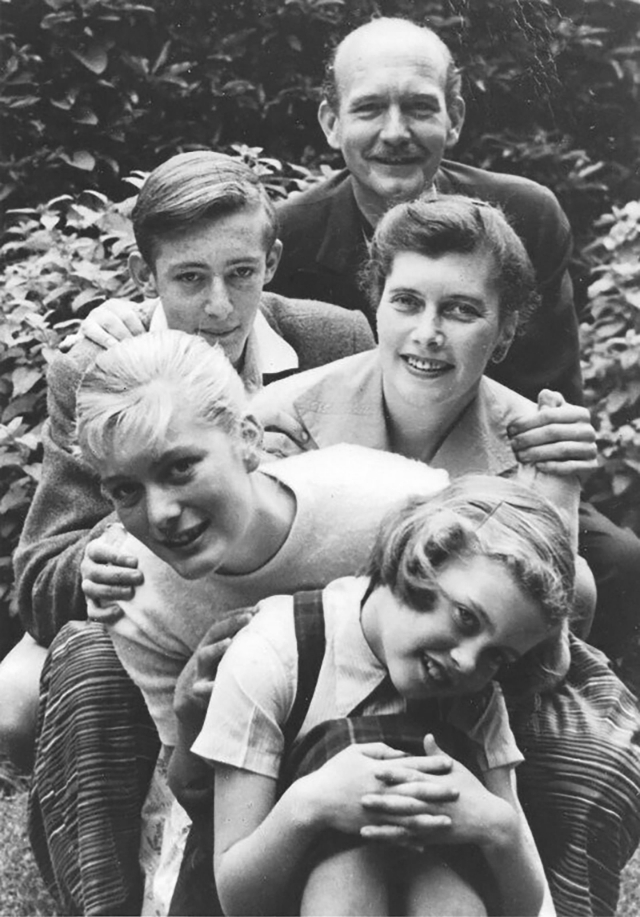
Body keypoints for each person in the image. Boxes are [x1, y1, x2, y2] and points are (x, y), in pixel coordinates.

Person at [32, 329, 447, 915]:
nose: (160, 513)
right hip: (257, 815)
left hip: (429, 757)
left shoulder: (386, 501)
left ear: (247, 439)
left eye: (180, 467)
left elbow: (535, 585)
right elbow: (195, 795)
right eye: (126, 490)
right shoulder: (136, 592)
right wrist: (190, 715)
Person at [266, 15, 640, 661]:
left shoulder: (525, 217)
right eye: (369, 109)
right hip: (331, 475)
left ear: (455, 117)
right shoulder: (289, 237)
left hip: (491, 466)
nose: (395, 132)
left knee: (616, 565)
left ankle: (573, 712)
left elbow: (543, 397)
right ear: (331, 122)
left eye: (419, 107)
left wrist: (560, 436)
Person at [1, 150, 374, 772]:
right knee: (11, 704)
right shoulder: (94, 366)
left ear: (272, 263)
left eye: (242, 273)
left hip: (295, 594)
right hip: (161, 608)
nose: (220, 306)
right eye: (190, 278)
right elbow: (39, 584)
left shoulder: (335, 340)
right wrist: (106, 544)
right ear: (145, 274)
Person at [198, 476, 576, 916]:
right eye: (465, 618)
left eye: (497, 656)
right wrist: (311, 805)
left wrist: (499, 828)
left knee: (444, 881)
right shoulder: (275, 653)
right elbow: (238, 902)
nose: (467, 662)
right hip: (293, 897)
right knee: (350, 865)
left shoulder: (475, 698)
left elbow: (526, 908)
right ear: (421, 557)